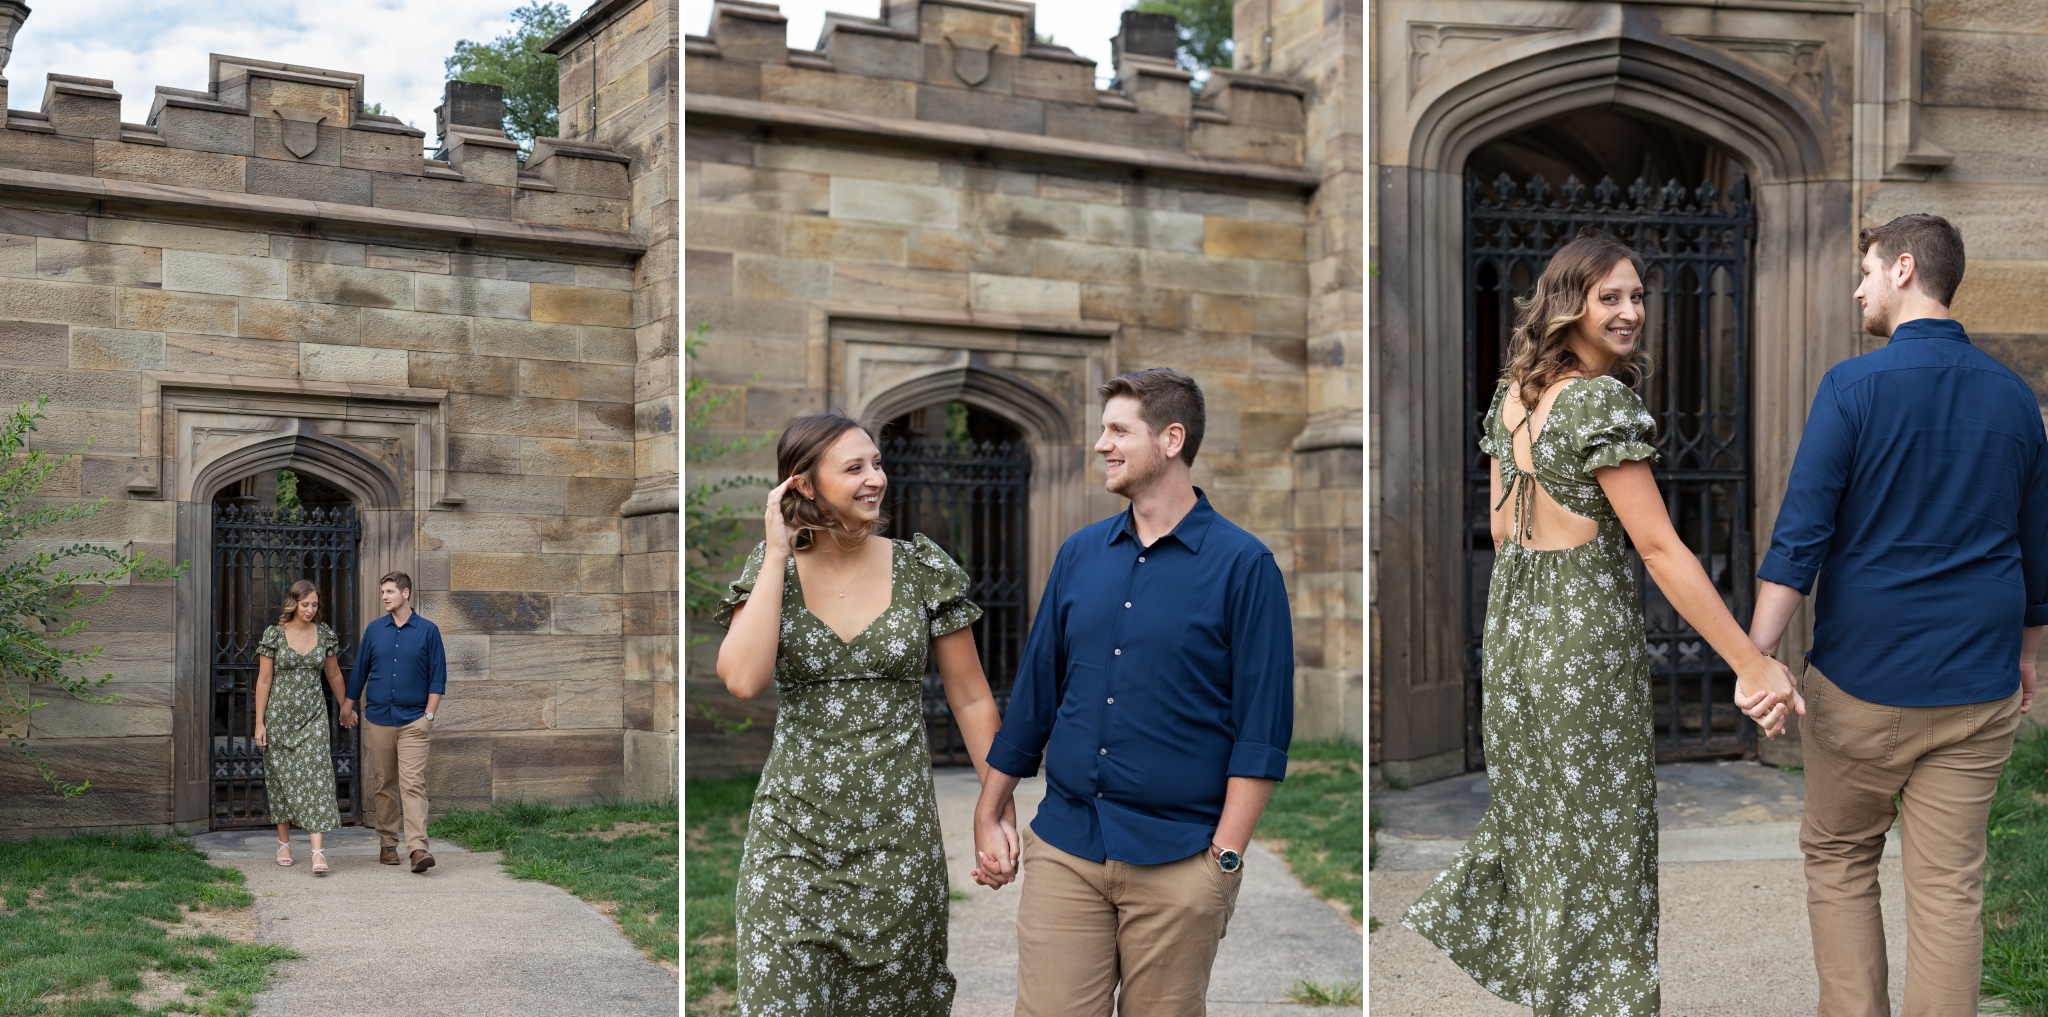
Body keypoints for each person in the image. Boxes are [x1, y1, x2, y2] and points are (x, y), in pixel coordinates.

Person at [1401, 229, 1799, 1016]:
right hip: (1583, 648)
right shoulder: (1599, 401)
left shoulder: (1513, 396)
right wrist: (1751, 665)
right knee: (1607, 849)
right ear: (1568, 302)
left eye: (1638, 295)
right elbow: (1659, 547)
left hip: (1517, 644)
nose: (1630, 311)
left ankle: (1559, 994)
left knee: (1549, 837)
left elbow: (1506, 529)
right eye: (1609, 296)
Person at [1746, 213, 2040, 1016]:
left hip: (1862, 680)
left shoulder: (1852, 386)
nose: (1859, 288)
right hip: (1977, 681)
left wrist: (1756, 657)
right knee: (1950, 887)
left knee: (1841, 856)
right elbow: (2036, 548)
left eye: (1867, 271)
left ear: (1905, 268)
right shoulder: (2017, 399)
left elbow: (1801, 534)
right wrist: (2031, 656)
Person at [971, 367, 1296, 1017]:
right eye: (1102, 429)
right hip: (1067, 844)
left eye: (1118, 429)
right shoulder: (1079, 554)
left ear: (1171, 438)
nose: (1101, 444)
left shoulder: (1245, 566)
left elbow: (1262, 728)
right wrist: (992, 806)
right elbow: (1036, 696)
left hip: (1180, 859)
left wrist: (1224, 859)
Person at [713, 412, 1017, 1015]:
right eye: (854, 468)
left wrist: (995, 810)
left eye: (876, 463)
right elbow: (743, 680)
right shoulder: (772, 572)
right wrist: (777, 553)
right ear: (803, 485)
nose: (875, 478)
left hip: (898, 846)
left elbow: (973, 698)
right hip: (792, 846)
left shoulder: (921, 569)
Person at [343, 571, 447, 874]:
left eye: (390, 591)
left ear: (406, 593)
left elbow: (437, 678)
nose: (385, 596)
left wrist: (428, 716)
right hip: (378, 720)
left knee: (412, 784)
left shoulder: (428, 631)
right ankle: (388, 844)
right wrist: (347, 708)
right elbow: (359, 673)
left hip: (414, 720)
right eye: (383, 592)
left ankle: (417, 849)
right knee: (384, 782)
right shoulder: (375, 630)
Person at [254, 579, 354, 875]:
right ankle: (283, 842)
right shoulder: (274, 635)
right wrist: (259, 722)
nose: (310, 610)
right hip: (280, 718)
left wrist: (345, 706)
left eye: (314, 604)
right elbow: (263, 680)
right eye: (305, 604)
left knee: (317, 775)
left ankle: (317, 851)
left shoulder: (324, 634)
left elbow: (334, 674)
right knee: (281, 777)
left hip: (313, 717)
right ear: (293, 603)